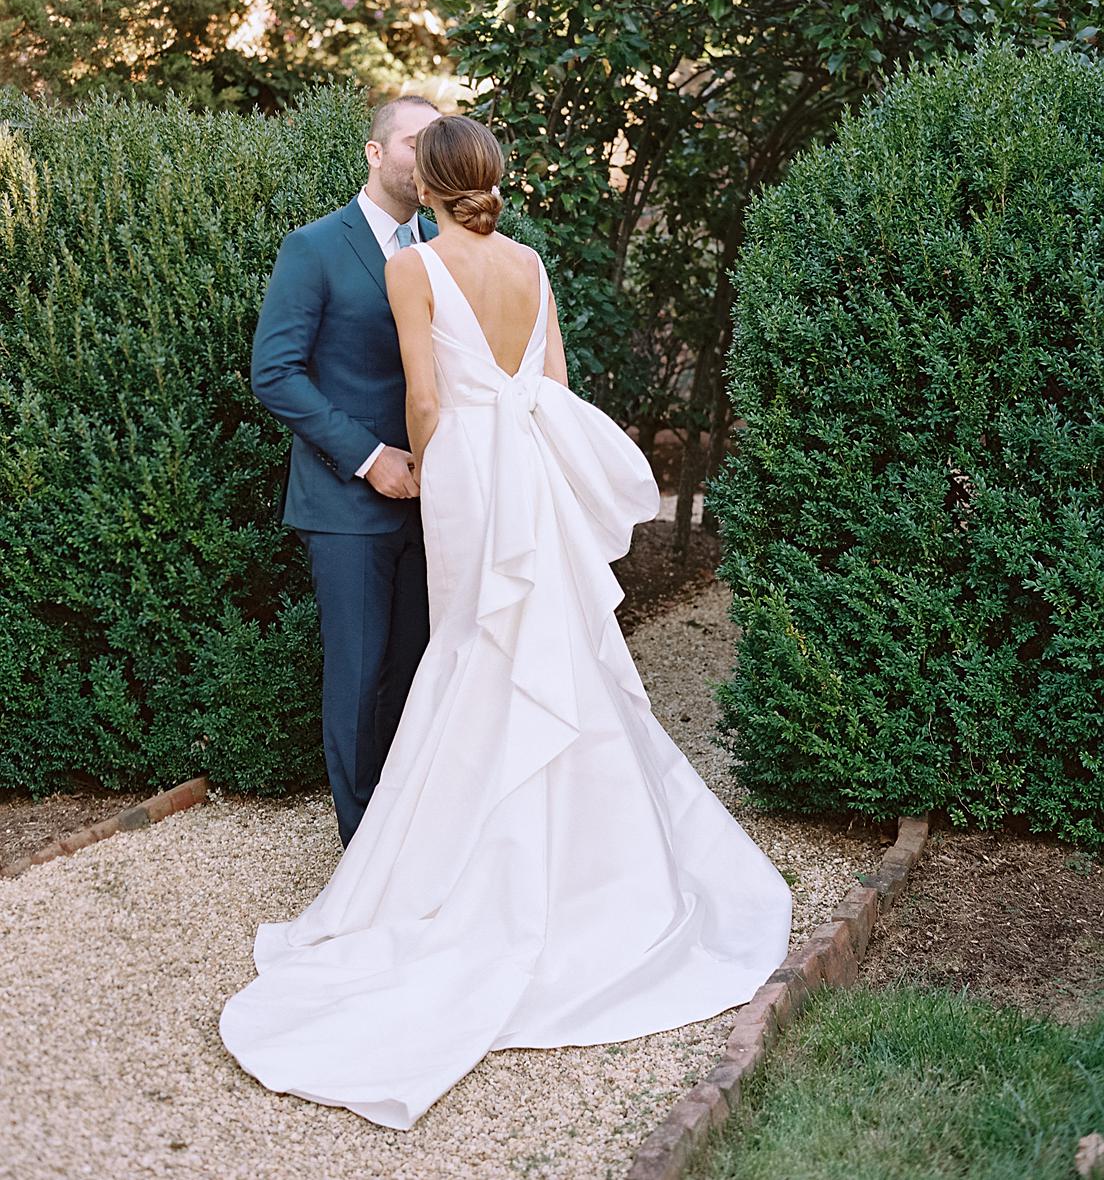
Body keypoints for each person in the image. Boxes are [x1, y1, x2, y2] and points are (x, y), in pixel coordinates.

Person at [221, 114, 793, 1130]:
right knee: (546, 654)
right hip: (522, 472)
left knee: (474, 654)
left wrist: (444, 473)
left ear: (429, 179)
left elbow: (430, 405)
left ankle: (439, 874)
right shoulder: (528, 260)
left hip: (464, 482)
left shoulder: (415, 267)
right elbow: (556, 390)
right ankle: (576, 874)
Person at [249, 93, 440, 849]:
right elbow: (275, 372)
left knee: (423, 677)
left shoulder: (441, 249)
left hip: (437, 503)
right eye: (414, 142)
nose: (426, 159)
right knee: (359, 684)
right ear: (374, 152)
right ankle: (362, 855)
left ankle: (413, 839)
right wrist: (369, 458)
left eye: (438, 144)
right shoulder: (315, 247)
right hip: (347, 506)